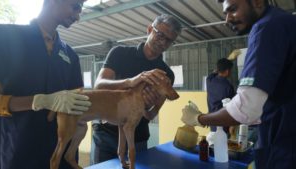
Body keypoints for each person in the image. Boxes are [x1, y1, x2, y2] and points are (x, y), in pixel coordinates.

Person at [181, 0, 296, 169]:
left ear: (257, 2)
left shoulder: (266, 27)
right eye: (225, 13)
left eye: (232, 9)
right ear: (228, 71)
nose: (227, 19)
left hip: (285, 147)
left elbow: (245, 108)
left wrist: (198, 118)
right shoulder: (285, 22)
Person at [0, 0, 91, 169]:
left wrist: (82, 121)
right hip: (19, 154)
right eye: (75, 6)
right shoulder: (4, 38)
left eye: (81, 9)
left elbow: (77, 101)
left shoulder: (70, 55)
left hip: (60, 155)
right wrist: (39, 101)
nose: (78, 16)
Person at [90, 14, 181, 164]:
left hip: (136, 137)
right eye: (160, 35)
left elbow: (152, 114)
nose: (163, 42)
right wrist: (131, 82)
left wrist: (148, 107)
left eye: (169, 40)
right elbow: (98, 86)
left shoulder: (166, 75)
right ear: (150, 29)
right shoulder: (119, 53)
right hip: (105, 134)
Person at [206, 58, 235, 135]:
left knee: (214, 143)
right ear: (227, 71)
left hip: (211, 121)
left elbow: (214, 72)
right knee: (223, 144)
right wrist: (232, 125)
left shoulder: (209, 80)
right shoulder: (228, 87)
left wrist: (227, 59)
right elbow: (231, 108)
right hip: (223, 124)